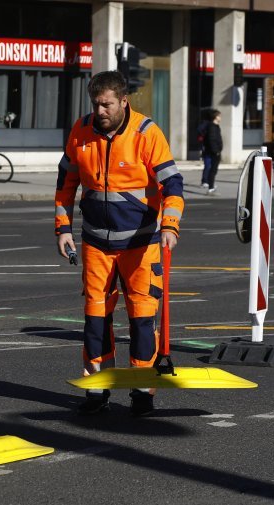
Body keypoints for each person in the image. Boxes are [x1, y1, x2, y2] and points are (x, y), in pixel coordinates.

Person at [54, 70, 184, 417]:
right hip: (96, 243)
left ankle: (142, 390)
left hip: (141, 245)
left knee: (142, 318)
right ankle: (98, 387)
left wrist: (170, 224)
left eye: (106, 104)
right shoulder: (81, 132)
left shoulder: (146, 133)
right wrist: (63, 228)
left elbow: (172, 185)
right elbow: (66, 183)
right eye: (95, 104)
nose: (100, 111)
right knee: (95, 318)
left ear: (124, 102)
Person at [200, 109, 223, 194]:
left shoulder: (215, 126)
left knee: (213, 169)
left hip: (215, 151)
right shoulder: (212, 127)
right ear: (215, 117)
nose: (220, 118)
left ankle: (211, 185)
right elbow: (212, 140)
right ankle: (211, 188)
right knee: (212, 170)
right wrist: (216, 151)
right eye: (219, 116)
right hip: (213, 152)